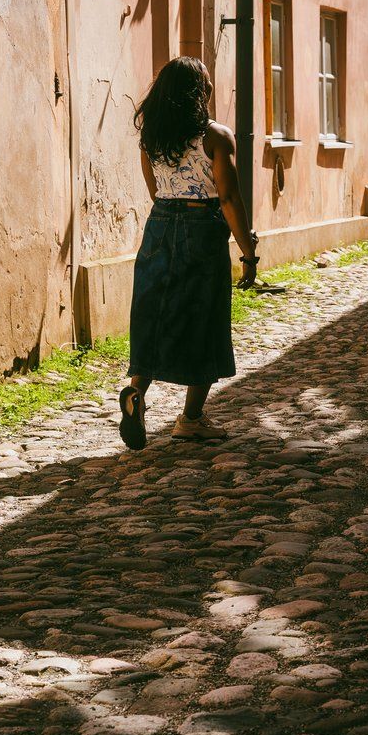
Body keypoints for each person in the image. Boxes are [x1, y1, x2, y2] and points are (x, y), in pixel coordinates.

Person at [118, 57, 258, 450]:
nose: (211, 90)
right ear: (199, 93)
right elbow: (228, 197)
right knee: (204, 317)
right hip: (202, 227)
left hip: (160, 224)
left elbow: (154, 191)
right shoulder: (216, 137)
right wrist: (247, 251)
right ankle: (191, 419)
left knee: (156, 313)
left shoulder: (152, 138)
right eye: (208, 84)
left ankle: (136, 393)